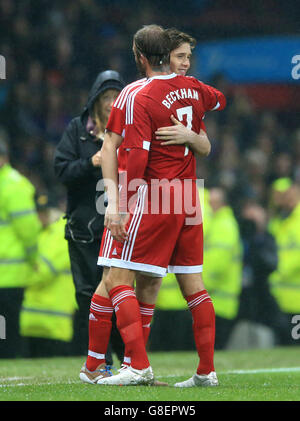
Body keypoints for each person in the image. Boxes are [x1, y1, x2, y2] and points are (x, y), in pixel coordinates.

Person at [79, 26, 212, 385]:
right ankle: (106, 365)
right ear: (167, 55)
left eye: (188, 57)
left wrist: (116, 201)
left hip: (149, 195)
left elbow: (122, 151)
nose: (185, 62)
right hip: (185, 196)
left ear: (139, 55)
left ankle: (133, 364)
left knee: (117, 275)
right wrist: (195, 136)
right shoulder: (194, 89)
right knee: (144, 281)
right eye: (182, 56)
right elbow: (212, 124)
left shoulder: (137, 92)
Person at [54, 70, 125, 364]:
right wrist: (90, 162)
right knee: (86, 296)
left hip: (118, 227)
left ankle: (130, 359)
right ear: (96, 100)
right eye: (106, 97)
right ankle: (101, 359)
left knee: (119, 296)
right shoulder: (77, 130)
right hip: (83, 231)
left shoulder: (129, 131)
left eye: (116, 97)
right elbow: (61, 170)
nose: (111, 103)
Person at [20, 193, 77, 357]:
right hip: (31, 320)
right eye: (37, 212)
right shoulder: (40, 232)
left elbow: (44, 271)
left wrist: (17, 278)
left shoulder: (61, 232)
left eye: (43, 212)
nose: (40, 216)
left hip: (54, 323)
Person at [0, 137, 41, 358]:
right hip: (9, 271)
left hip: (9, 273)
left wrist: (33, 257)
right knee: (5, 324)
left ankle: (9, 357)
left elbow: (28, 230)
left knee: (7, 326)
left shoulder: (13, 186)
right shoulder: (12, 184)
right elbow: (28, 230)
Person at [202, 187, 243, 349]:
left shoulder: (224, 225)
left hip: (219, 300)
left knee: (213, 349)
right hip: (218, 300)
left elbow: (218, 264)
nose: (209, 206)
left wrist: (199, 287)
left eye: (213, 202)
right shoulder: (218, 223)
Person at [268, 183, 300, 345]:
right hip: (280, 296)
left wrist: (279, 271)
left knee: (295, 347)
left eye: (284, 194)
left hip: (296, 298)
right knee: (285, 344)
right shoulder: (278, 221)